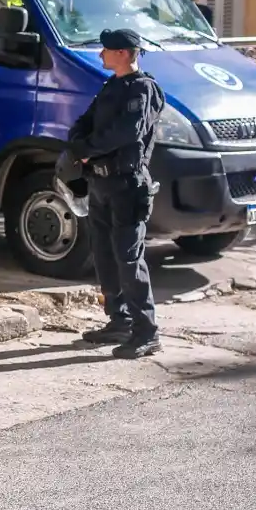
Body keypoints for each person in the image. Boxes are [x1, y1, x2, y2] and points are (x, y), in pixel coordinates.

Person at [67, 28, 166, 359]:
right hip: (101, 185)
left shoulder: (143, 89)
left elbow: (127, 132)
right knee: (105, 256)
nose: (100, 55)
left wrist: (88, 150)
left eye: (106, 50)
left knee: (128, 258)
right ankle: (119, 321)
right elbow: (85, 122)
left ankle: (147, 332)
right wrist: (79, 145)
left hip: (126, 186)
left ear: (124, 53)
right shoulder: (112, 86)